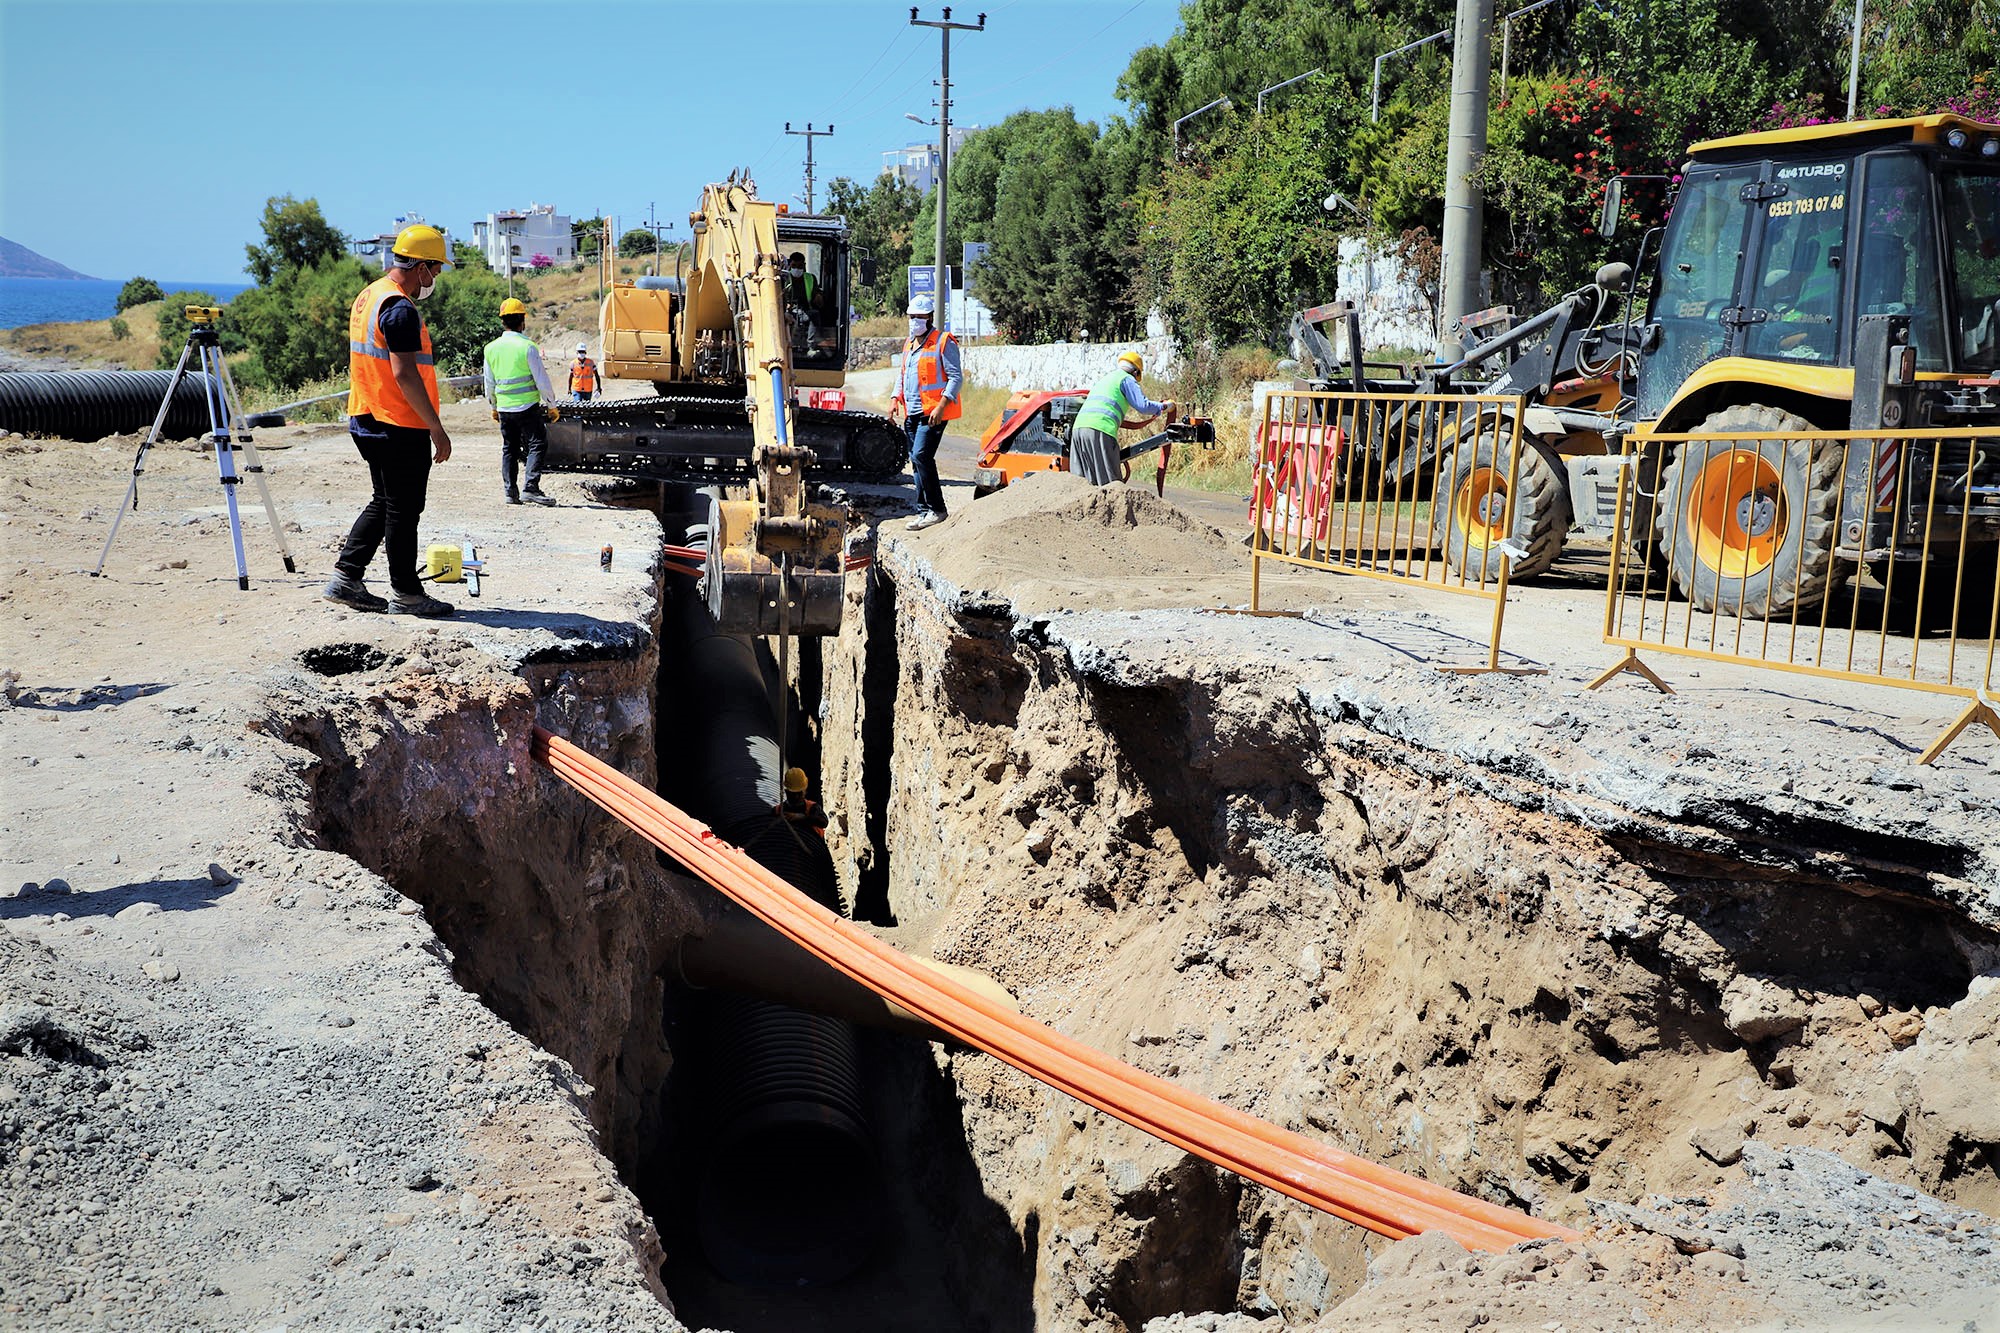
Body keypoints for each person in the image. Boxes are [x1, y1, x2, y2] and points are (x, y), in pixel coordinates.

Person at [323, 223, 455, 618]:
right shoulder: (398, 308)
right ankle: (407, 594)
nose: (436, 279)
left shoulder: (369, 295)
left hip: (366, 416)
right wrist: (435, 426)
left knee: (385, 501)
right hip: (397, 421)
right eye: (437, 270)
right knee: (403, 508)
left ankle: (346, 578)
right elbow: (404, 373)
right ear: (422, 267)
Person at [890, 293, 961, 530]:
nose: (915, 321)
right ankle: (923, 511)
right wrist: (894, 398)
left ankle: (938, 509)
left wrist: (942, 406)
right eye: (912, 317)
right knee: (916, 460)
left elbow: (955, 377)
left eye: (920, 317)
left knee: (921, 456)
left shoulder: (943, 341)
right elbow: (902, 375)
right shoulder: (909, 344)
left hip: (932, 413)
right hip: (912, 413)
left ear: (929, 317)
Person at [483, 298, 559, 505]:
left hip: (505, 408)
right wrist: (552, 405)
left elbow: (488, 382)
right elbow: (541, 380)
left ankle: (510, 493)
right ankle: (531, 488)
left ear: (502, 322)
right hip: (527, 407)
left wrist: (493, 407)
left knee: (510, 448)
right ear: (522, 321)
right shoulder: (528, 346)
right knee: (537, 443)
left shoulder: (490, 348)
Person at [1069, 350, 1175, 485]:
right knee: (1110, 484)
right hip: (1101, 429)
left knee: (1083, 482)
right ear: (1136, 372)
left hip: (1078, 429)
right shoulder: (1127, 379)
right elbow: (1143, 406)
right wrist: (1164, 406)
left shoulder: (1107, 378)